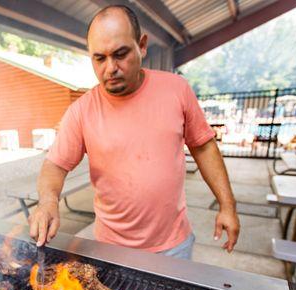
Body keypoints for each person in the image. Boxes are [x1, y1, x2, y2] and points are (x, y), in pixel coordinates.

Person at [28, 5, 240, 259]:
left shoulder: (176, 89)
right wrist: (48, 202)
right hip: (110, 249)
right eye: (99, 58)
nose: (110, 68)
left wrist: (227, 205)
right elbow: (55, 166)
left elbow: (203, 146)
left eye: (120, 54)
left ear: (142, 45)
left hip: (174, 246)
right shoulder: (81, 111)